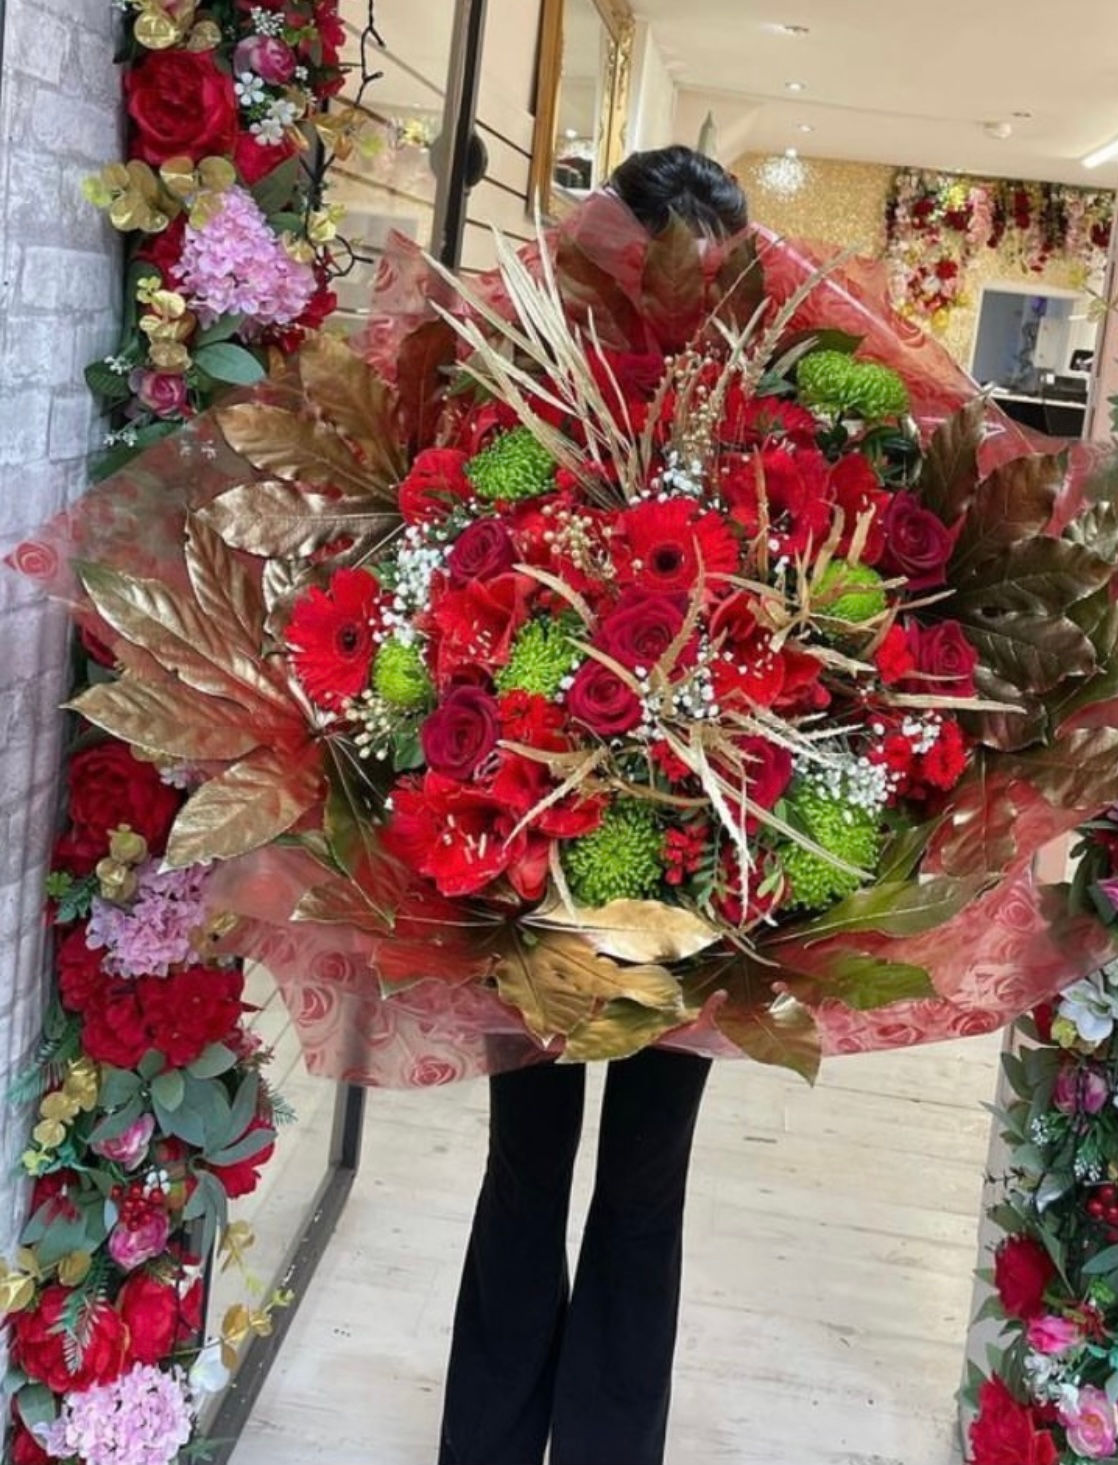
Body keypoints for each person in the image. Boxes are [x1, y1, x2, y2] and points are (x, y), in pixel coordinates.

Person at [437, 146, 748, 1465]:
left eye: (706, 273)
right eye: (661, 263)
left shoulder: (752, 414)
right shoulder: (527, 397)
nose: (677, 293)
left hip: (696, 858)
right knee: (533, 1164)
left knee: (640, 1179)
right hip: (534, 854)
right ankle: (493, 1444)